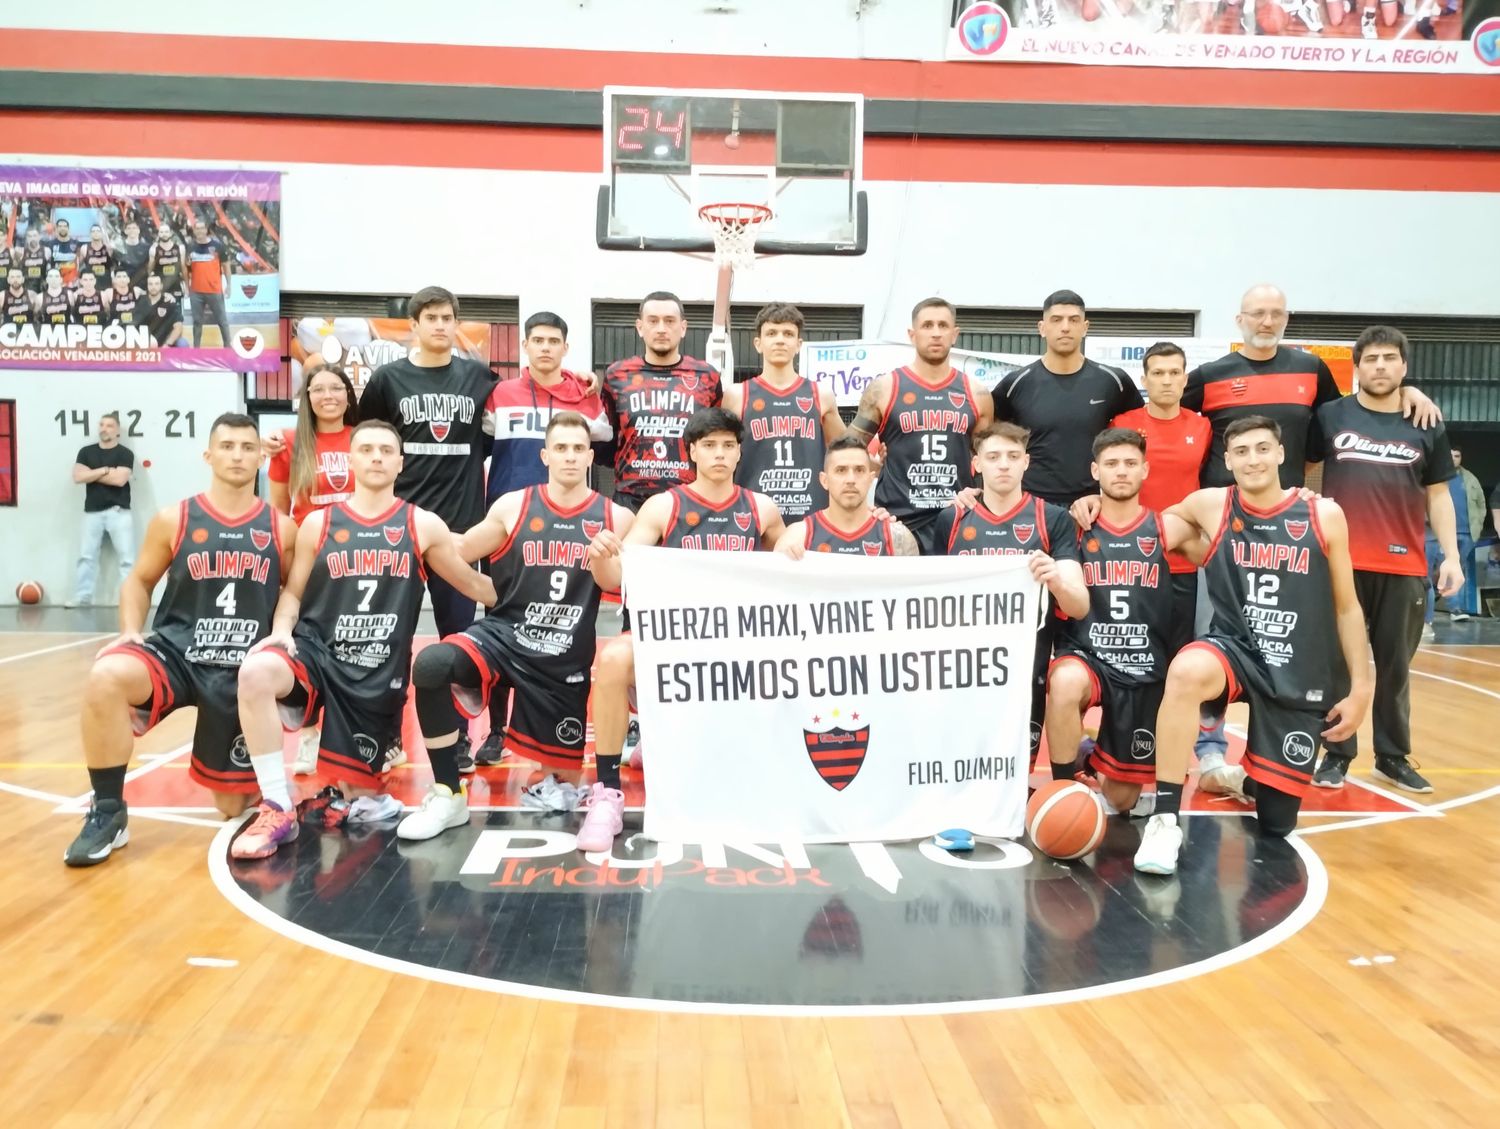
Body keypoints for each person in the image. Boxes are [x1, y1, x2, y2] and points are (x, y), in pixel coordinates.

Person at [1182, 283, 1437, 794]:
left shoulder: (1310, 371)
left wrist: (1407, 392)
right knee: (1217, 644)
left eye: (1276, 313)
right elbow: (1181, 429)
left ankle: (1279, 756)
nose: (1266, 320)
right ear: (1239, 319)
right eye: (1257, 313)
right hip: (1227, 533)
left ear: (1286, 318)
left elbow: (1351, 415)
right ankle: (1210, 752)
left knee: (1285, 650)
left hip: (1291, 535)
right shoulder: (1208, 378)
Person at [234, 419, 496, 860]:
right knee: (256, 671)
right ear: (351, 460)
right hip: (317, 656)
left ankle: (353, 786)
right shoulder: (319, 523)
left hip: (378, 670)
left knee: (364, 795)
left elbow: (474, 585)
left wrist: (531, 590)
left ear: (400, 463)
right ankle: (277, 805)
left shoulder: (422, 525)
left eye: (385, 450)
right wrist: (280, 633)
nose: (376, 457)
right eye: (367, 449)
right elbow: (292, 594)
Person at [1134, 416, 1373, 876]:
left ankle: (1234, 777)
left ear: (1282, 454)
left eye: (1263, 448)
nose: (1253, 459)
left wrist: (1361, 688)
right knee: (1184, 672)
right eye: (1241, 451)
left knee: (1276, 822)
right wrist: (1197, 552)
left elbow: (1347, 608)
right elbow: (1159, 528)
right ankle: (1165, 818)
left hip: (1297, 667)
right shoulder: (1211, 504)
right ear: (1227, 461)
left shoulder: (1323, 515)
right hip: (1235, 650)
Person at [64, 414, 292, 867]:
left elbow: (295, 593)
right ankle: (109, 811)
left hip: (239, 671)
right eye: (226, 446)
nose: (237, 455)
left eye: (248, 447)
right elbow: (139, 582)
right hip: (176, 654)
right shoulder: (175, 518)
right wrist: (130, 630)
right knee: (107, 675)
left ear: (261, 459)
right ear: (208, 455)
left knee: (231, 807)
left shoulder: (282, 527)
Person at [397, 413, 634, 839]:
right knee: (432, 664)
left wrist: (603, 559)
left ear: (590, 456)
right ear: (544, 455)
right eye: (560, 448)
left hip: (565, 650)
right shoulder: (514, 505)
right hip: (505, 634)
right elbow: (464, 548)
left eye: (578, 448)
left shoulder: (616, 517)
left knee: (562, 783)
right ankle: (449, 794)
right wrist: (480, 588)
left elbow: (616, 584)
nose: (569, 456)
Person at [586, 408, 786, 850]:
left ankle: (764, 775)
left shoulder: (762, 509)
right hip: (670, 646)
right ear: (692, 451)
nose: (719, 453)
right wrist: (601, 554)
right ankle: (607, 794)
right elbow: (617, 576)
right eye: (709, 445)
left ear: (739, 453)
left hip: (735, 647)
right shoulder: (665, 506)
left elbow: (791, 570)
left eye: (728, 445)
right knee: (615, 658)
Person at [1310, 326, 1461, 795]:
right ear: (1357, 367)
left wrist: (1452, 556)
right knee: (1338, 666)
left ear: (1404, 366)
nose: (1379, 366)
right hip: (1339, 564)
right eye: (1371, 358)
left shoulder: (1425, 422)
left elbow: (1439, 495)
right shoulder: (1330, 415)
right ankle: (1337, 753)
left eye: (1389, 358)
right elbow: (1309, 472)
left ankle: (1392, 758)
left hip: (1405, 566)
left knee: (1394, 668)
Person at [355, 285, 497, 766]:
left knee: (456, 642)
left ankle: (456, 738)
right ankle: (384, 736)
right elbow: (365, 442)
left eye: (447, 317)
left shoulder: (480, 377)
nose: (440, 325)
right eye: (430, 317)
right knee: (388, 639)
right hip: (399, 531)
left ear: (457, 324)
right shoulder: (387, 380)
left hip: (460, 531)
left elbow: (517, 418)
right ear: (413, 325)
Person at [1047, 428, 1202, 817]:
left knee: (1121, 801)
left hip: (1143, 666)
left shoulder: (1167, 528)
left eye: (1131, 464)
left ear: (1145, 470)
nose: (1121, 472)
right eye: (1112, 464)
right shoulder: (1074, 526)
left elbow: (1223, 544)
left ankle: (1089, 752)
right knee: (1063, 682)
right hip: (1087, 654)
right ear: (1095, 471)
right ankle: (1062, 790)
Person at [478, 310, 610, 765]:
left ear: (565, 348)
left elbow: (607, 446)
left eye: (554, 341)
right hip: (508, 524)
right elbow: (482, 447)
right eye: (538, 340)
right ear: (525, 347)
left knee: (557, 630)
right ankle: (496, 730)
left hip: (568, 524)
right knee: (500, 624)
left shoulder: (584, 396)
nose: (546, 348)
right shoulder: (500, 395)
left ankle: (544, 730)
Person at [934, 422, 1089, 759]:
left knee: (1016, 775)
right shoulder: (952, 519)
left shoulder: (1052, 519)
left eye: (1012, 456)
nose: (1003, 464)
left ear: (1026, 462)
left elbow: (1079, 606)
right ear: (976, 464)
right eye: (993, 456)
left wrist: (1056, 581)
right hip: (964, 668)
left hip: (1025, 667)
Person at [266, 361, 359, 776]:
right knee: (310, 652)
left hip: (360, 559)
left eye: (336, 388)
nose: (328, 396)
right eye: (318, 389)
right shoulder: (289, 443)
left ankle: (367, 736)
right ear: (306, 398)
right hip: (311, 564)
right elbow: (277, 514)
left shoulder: (364, 439)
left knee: (358, 651)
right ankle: (309, 736)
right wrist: (284, 568)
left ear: (348, 394)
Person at [1090, 342, 1211, 655]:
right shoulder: (1123, 423)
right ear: (1144, 380)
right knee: (1135, 648)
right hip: (1131, 558)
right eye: (1158, 373)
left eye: (1174, 372)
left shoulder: (1202, 426)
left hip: (1182, 559)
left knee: (1178, 651)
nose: (1167, 380)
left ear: (1186, 378)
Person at [847, 297, 993, 553]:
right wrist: (870, 469)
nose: (935, 333)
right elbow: (846, 451)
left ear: (955, 334)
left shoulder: (977, 393)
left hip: (958, 517)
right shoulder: (885, 388)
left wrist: (982, 500)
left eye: (943, 325)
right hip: (898, 520)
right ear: (912, 335)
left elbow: (987, 462)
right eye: (927, 326)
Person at [989, 289, 1143, 508]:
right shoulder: (1015, 384)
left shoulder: (1113, 381)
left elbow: (1136, 438)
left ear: (1085, 327)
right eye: (1056, 319)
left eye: (1073, 320)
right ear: (1042, 328)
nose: (1065, 327)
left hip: (1092, 505)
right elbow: (990, 440)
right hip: (1030, 505)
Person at [599, 291, 722, 513]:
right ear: (640, 327)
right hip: (631, 498)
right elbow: (607, 439)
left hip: (688, 498)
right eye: (653, 321)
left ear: (683, 327)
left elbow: (717, 437)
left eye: (669, 321)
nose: (661, 329)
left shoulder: (707, 377)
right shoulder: (617, 375)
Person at [725, 302, 845, 520]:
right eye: (771, 333)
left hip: (809, 511)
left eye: (788, 334)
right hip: (752, 514)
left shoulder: (821, 395)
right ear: (758, 343)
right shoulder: (737, 395)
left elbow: (844, 452)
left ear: (799, 344)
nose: (780, 340)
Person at [775, 434, 920, 558]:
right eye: (841, 470)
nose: (850, 479)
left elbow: (915, 589)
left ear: (870, 479)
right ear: (824, 480)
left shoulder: (896, 537)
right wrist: (787, 560)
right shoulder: (798, 537)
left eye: (859, 470)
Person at [69, 412, 136, 608]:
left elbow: (120, 479)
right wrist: (106, 470)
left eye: (109, 425)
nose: (103, 428)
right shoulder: (86, 452)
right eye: (101, 424)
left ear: (117, 431)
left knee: (127, 560)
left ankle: (129, 600)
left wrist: (91, 473)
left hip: (119, 512)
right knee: (86, 557)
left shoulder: (125, 454)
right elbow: (77, 477)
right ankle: (82, 597)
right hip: (92, 512)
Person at [1446, 444, 1485, 620]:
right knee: (1445, 568)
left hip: (1468, 532)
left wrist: (1479, 526)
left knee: (1457, 569)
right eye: (1451, 455)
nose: (1454, 459)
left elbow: (1481, 505)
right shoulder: (1437, 477)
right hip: (1444, 533)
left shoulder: (1470, 479)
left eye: (1457, 456)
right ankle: (1453, 608)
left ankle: (1455, 608)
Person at [186, 217, 232, 348]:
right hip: (196, 292)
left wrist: (229, 285)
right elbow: (187, 267)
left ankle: (228, 348)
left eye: (202, 228)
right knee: (197, 322)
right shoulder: (190, 246)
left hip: (214, 291)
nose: (199, 231)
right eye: (197, 228)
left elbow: (226, 266)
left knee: (222, 321)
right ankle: (196, 349)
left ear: (206, 230)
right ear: (194, 230)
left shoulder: (218, 246)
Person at [141, 273, 185, 346]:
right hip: (145, 342)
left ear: (161, 286)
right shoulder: (140, 303)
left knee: (183, 343)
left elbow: (178, 326)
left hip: (165, 342)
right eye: (150, 284)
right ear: (147, 286)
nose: (153, 287)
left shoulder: (170, 302)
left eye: (156, 284)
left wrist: (168, 344)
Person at [148, 222, 187, 299]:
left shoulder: (180, 248)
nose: (164, 234)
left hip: (176, 284)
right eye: (161, 232)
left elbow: (183, 268)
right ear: (158, 234)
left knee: (177, 309)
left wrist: (187, 286)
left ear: (170, 233)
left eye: (166, 232)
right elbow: (150, 270)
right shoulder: (153, 249)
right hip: (160, 286)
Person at [11, 226, 51, 292]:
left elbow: (49, 270)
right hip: (25, 289)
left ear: (39, 237)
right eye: (29, 236)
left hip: (42, 288)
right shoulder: (20, 252)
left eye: (34, 235)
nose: (32, 238)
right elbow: (15, 271)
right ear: (26, 238)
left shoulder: (47, 251)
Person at [118, 219, 150, 290]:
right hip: (124, 285)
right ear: (125, 231)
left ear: (138, 230)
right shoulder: (119, 248)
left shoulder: (147, 248)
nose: (132, 230)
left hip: (143, 285)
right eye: (129, 228)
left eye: (134, 228)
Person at [47, 217, 79, 285]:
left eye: (65, 226)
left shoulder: (76, 244)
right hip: (55, 281)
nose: (62, 228)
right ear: (57, 228)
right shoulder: (50, 244)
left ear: (68, 228)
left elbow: (80, 263)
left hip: (72, 281)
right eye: (60, 226)